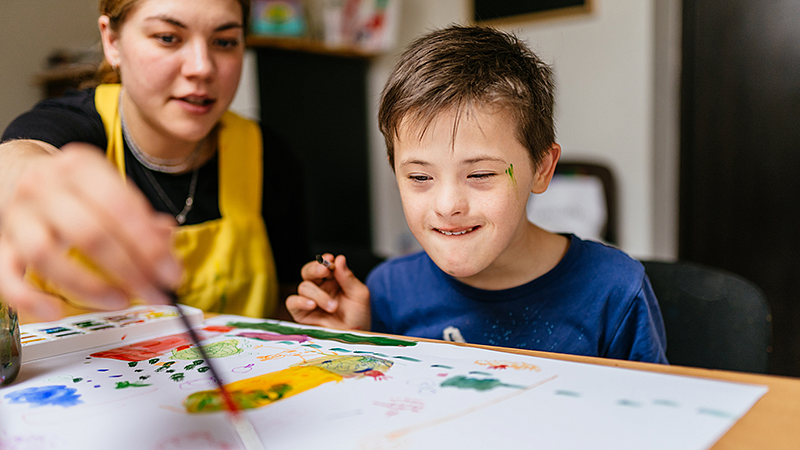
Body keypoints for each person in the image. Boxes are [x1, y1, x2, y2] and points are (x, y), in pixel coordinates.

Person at [286, 25, 667, 363]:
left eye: (481, 174)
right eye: (419, 177)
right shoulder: (387, 291)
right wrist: (353, 345)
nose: (448, 205)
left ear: (541, 168)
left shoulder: (614, 290)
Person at [0, 0, 308, 322]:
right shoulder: (70, 126)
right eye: (168, 38)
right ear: (113, 42)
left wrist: (317, 317)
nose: (201, 67)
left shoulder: (268, 155)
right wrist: (29, 179)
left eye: (224, 42)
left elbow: (283, 306)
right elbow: (19, 157)